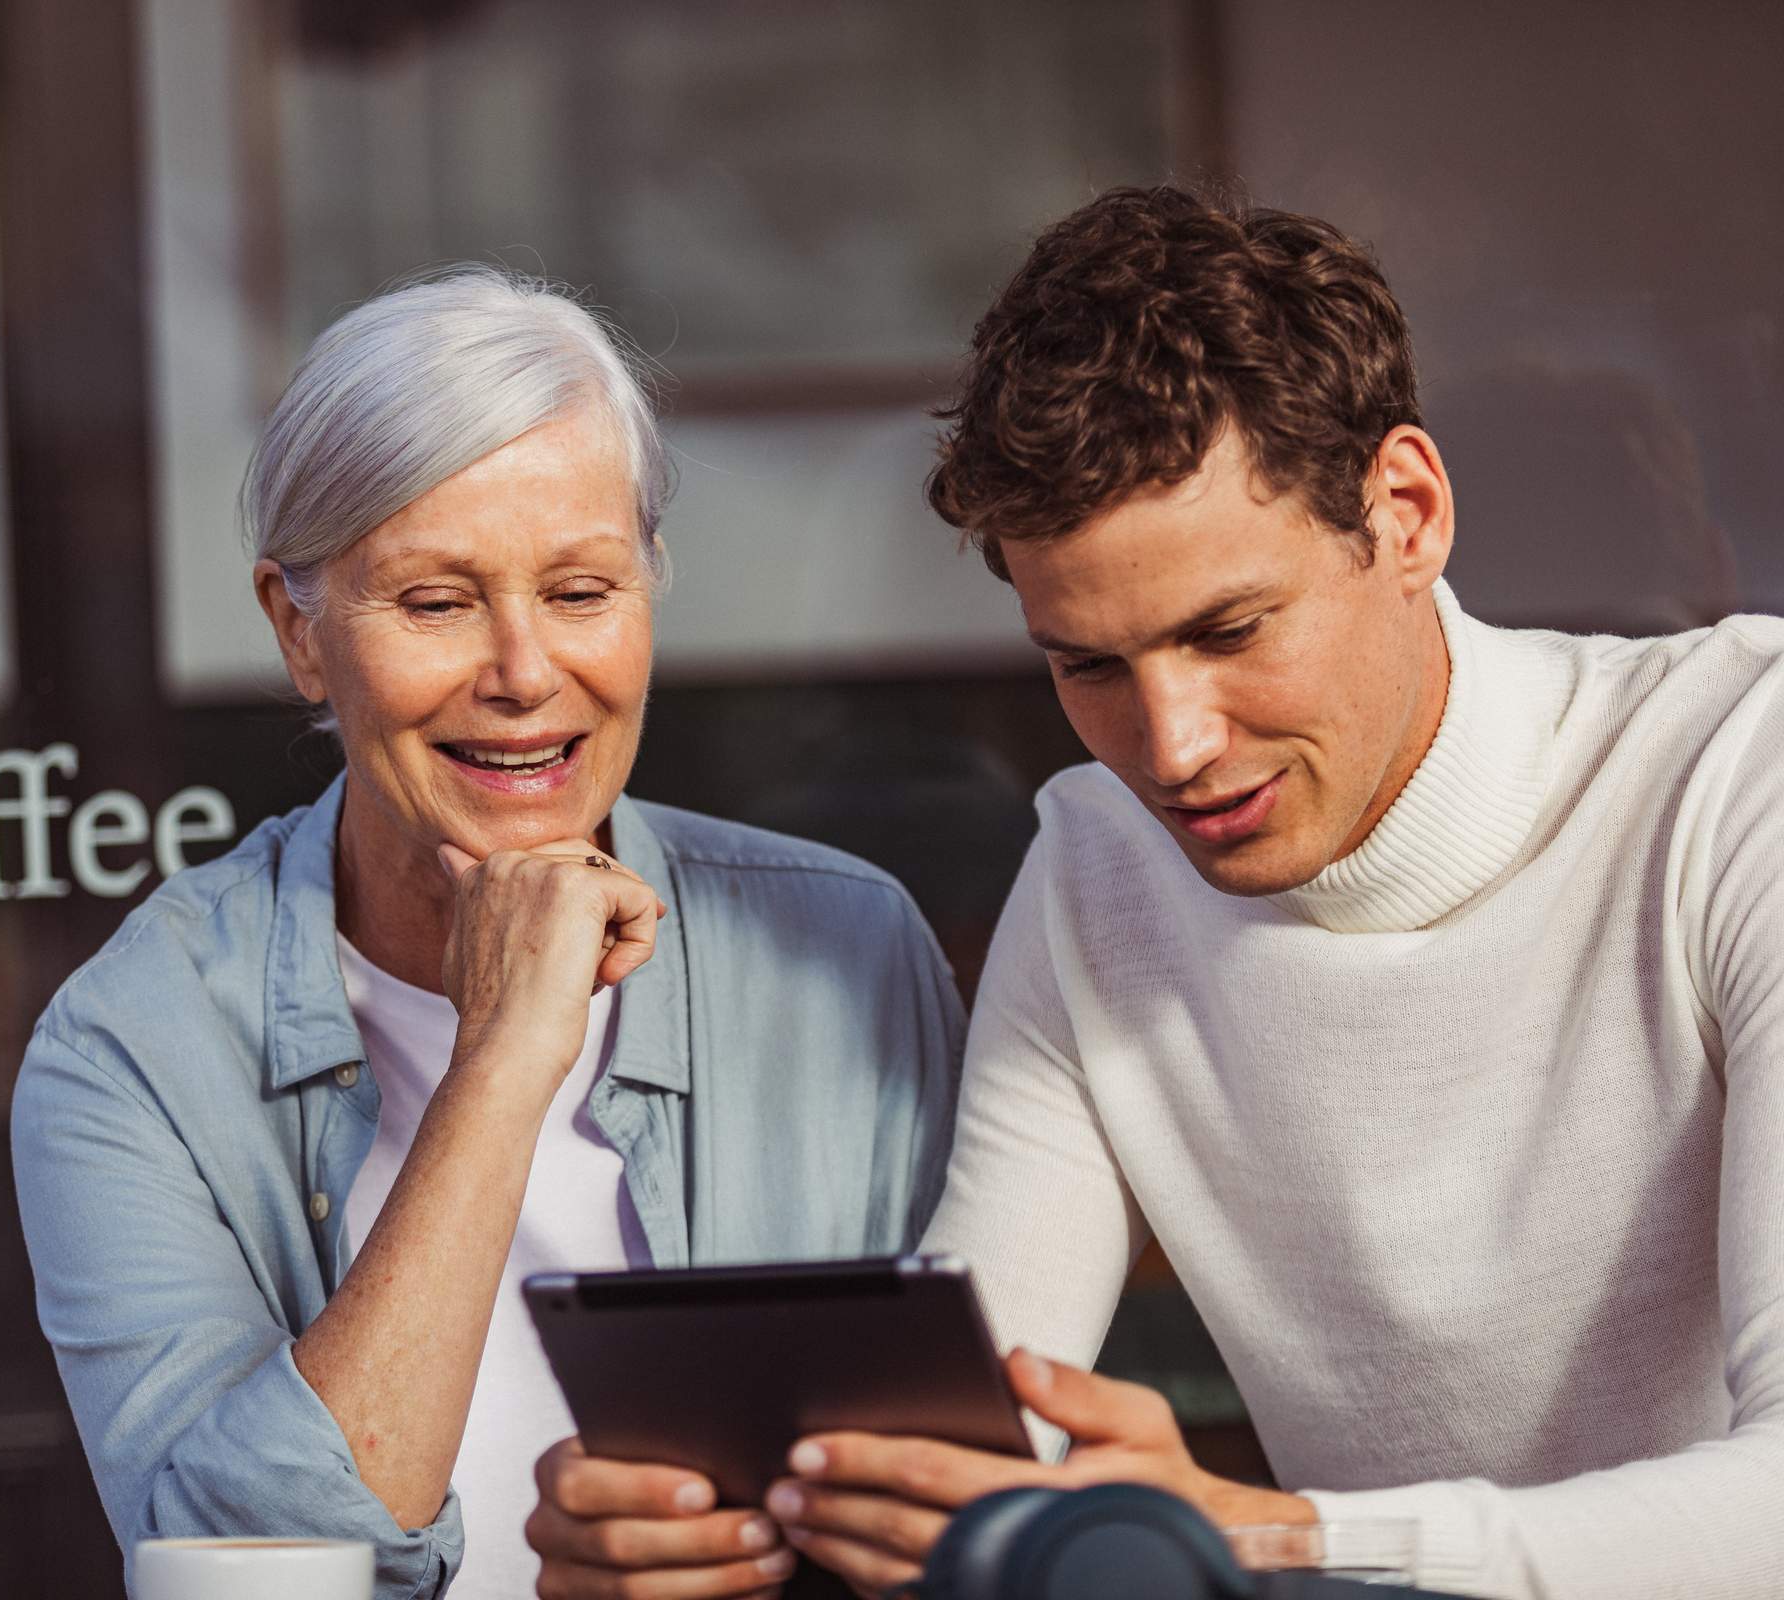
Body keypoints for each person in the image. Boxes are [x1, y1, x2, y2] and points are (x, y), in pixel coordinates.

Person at [528, 187, 1784, 1599]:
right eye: (1089, 666)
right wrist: (727, 1526)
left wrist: (1275, 1529)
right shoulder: (1097, 867)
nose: (1171, 749)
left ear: (1409, 512)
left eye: (1230, 631)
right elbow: (977, 1439)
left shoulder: (1741, 775)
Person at [8, 267, 966, 1599]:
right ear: (300, 632)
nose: (523, 674)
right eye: (437, 603)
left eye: (580, 592)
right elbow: (249, 1580)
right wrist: (504, 1057)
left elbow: (973, 1513)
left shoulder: (850, 952)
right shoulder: (134, 1050)